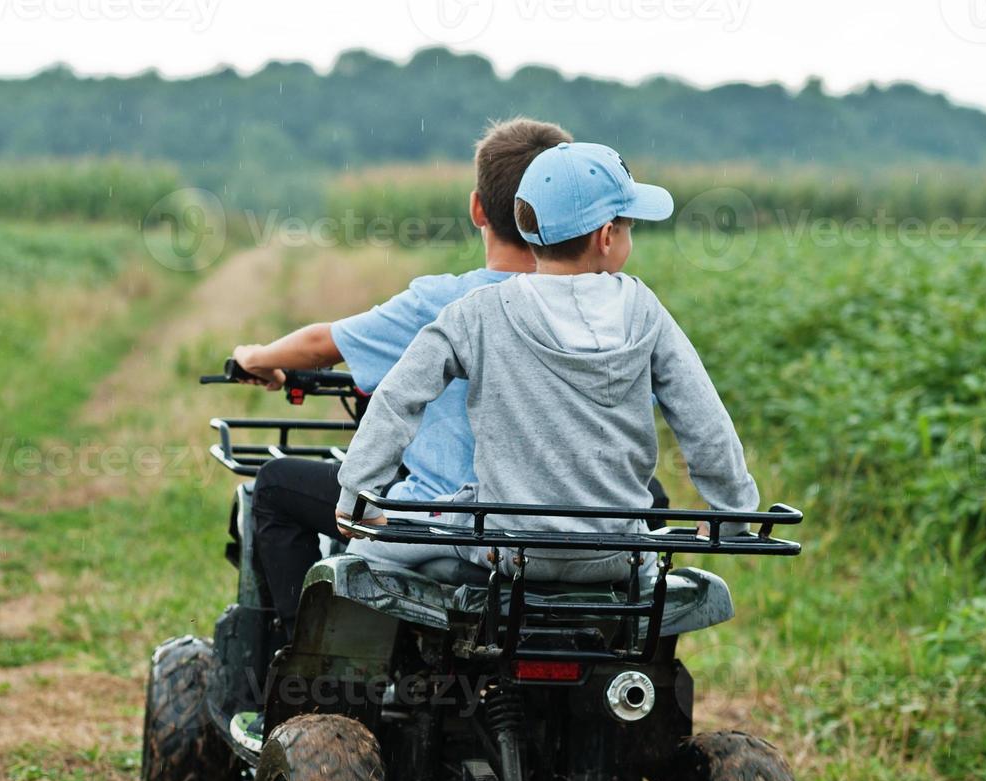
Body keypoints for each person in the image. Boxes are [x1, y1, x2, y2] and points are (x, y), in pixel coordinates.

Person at [336, 142, 758, 584]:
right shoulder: (645, 311)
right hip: (619, 552)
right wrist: (732, 511)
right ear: (607, 236)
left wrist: (356, 497)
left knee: (365, 554)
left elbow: (398, 398)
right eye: (631, 226)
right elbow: (703, 419)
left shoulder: (478, 313)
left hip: (504, 551)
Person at [231, 117, 575, 645]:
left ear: (477, 209)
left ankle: (305, 657)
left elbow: (326, 343)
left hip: (444, 518)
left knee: (275, 487)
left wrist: (258, 357)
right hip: (571, 523)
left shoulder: (444, 302)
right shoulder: (602, 307)